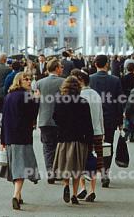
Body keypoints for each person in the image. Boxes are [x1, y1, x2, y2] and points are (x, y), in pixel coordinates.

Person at [0, 72, 40, 211]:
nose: (29, 81)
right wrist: (37, 100)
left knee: (15, 166)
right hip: (22, 136)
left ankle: (20, 195)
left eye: (30, 79)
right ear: (19, 81)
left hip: (10, 136)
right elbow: (32, 114)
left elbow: (3, 119)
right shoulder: (27, 96)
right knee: (21, 168)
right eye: (26, 79)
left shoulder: (8, 96)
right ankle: (16, 195)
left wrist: (2, 139)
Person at [52, 76, 94, 205]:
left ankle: (66, 185)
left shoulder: (59, 101)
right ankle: (75, 194)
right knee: (77, 168)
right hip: (79, 139)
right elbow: (88, 124)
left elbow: (55, 118)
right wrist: (90, 141)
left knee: (65, 166)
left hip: (64, 138)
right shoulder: (83, 102)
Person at [87, 54, 122, 188]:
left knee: (90, 146)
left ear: (95, 64)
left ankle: (91, 172)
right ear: (107, 64)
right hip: (109, 118)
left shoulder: (89, 79)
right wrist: (119, 120)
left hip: (91, 118)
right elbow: (120, 101)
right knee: (107, 145)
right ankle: (105, 172)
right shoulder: (115, 80)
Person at [74, 69, 103, 202]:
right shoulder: (96, 94)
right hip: (97, 132)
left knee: (80, 160)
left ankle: (82, 187)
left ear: (80, 80)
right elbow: (100, 115)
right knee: (95, 162)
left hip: (82, 133)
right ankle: (92, 190)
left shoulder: (79, 96)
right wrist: (102, 131)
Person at [35, 58, 64, 184]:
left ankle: (49, 171)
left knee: (47, 147)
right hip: (60, 120)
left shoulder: (40, 83)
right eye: (61, 67)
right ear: (57, 68)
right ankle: (58, 171)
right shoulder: (63, 82)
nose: (62, 69)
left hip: (44, 119)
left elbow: (36, 102)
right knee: (60, 146)